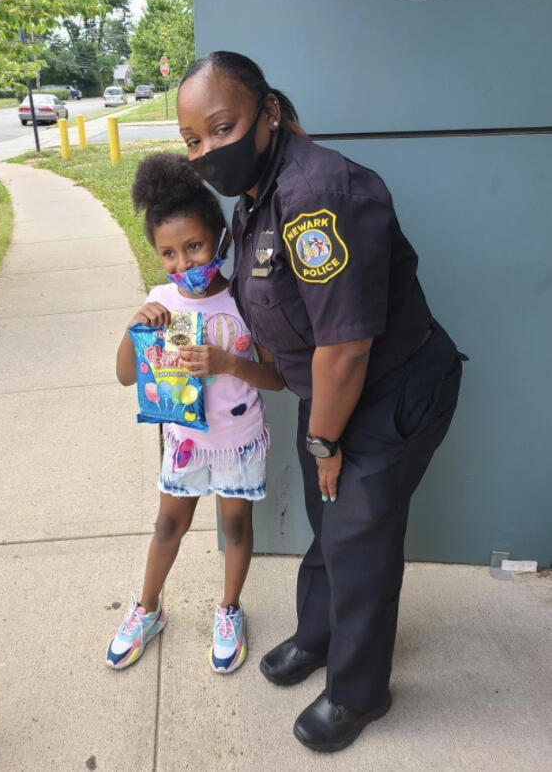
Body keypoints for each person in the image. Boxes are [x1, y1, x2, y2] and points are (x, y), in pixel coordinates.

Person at [177, 51, 465, 751]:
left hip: (387, 391)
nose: (209, 150)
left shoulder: (316, 194)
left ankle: (359, 693)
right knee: (327, 519)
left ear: (268, 112)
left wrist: (325, 441)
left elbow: (347, 348)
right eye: (194, 141)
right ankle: (319, 633)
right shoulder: (252, 200)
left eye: (222, 126)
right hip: (330, 397)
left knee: (361, 537)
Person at [106, 152, 283, 675]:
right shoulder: (163, 301)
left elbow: (278, 377)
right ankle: (147, 609)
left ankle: (229, 609)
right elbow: (124, 374)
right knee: (169, 524)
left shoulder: (248, 301)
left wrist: (230, 362)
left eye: (193, 247)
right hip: (185, 440)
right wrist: (136, 325)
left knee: (234, 524)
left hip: (239, 438)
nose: (183, 264)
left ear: (221, 241)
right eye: (168, 254)